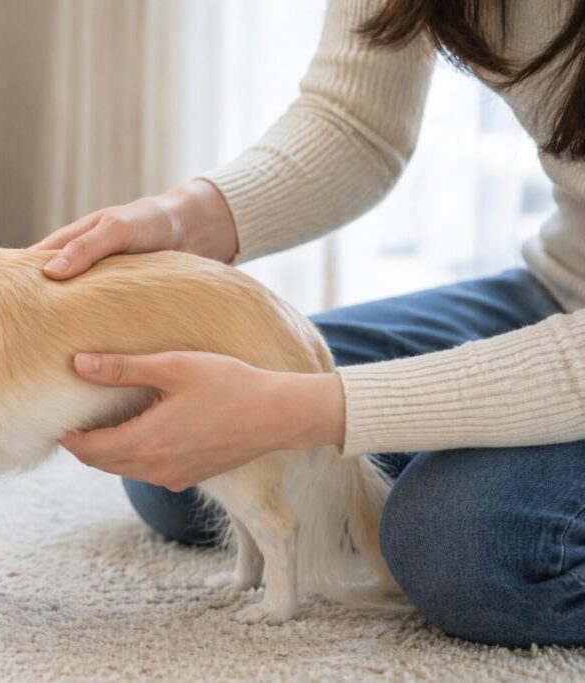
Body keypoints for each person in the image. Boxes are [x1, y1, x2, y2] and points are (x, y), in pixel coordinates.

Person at [32, 0, 585, 648]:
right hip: (560, 284)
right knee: (169, 443)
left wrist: (308, 409)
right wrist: (181, 217)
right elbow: (355, 121)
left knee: (459, 541)